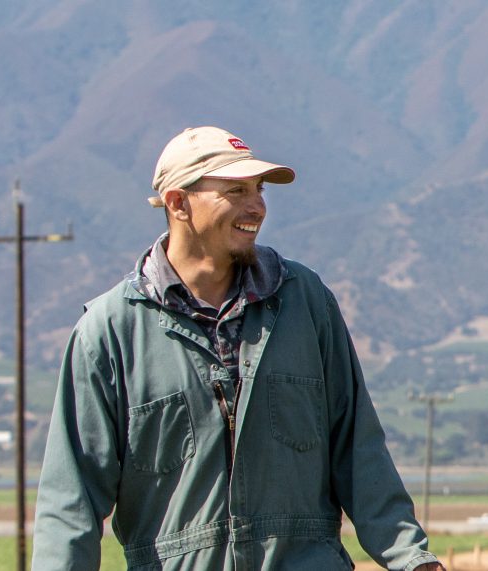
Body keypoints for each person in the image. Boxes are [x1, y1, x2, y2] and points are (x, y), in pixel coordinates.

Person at [32, 126, 444, 570]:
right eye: (236, 190)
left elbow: (358, 447)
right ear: (178, 203)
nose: (258, 206)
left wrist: (411, 557)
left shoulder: (305, 302)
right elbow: (70, 502)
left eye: (259, 189)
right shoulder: (109, 333)